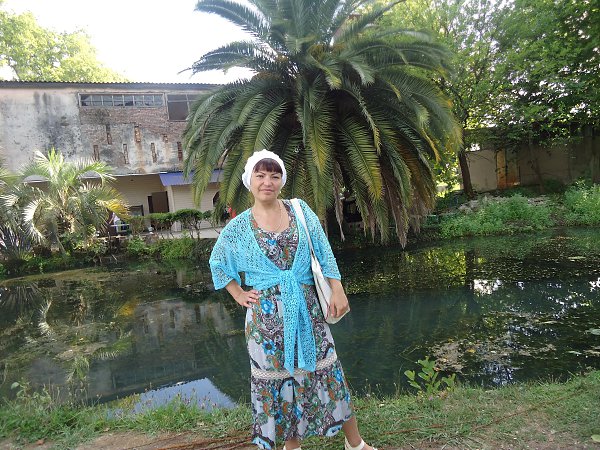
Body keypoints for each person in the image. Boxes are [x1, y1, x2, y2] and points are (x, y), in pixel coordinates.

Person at [209, 149, 377, 450]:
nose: (267, 182)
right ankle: (292, 447)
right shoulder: (239, 227)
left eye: (274, 176)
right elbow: (217, 262)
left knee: (329, 370)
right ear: (249, 181)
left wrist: (337, 288)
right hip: (265, 320)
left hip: (308, 309)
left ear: (282, 181)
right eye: (261, 175)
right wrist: (238, 293)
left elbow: (323, 251)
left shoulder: (299, 210)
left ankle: (356, 444)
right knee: (280, 383)